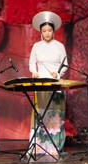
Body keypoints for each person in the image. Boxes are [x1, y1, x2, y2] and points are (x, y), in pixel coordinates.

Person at [27, 11, 68, 156]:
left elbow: (65, 65)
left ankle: (54, 146)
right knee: (40, 112)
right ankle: (38, 146)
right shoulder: (36, 46)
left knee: (55, 113)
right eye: (44, 31)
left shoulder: (59, 46)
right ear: (41, 32)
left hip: (55, 82)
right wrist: (34, 72)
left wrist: (57, 73)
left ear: (53, 31)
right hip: (41, 82)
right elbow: (31, 63)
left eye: (49, 30)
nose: (47, 33)